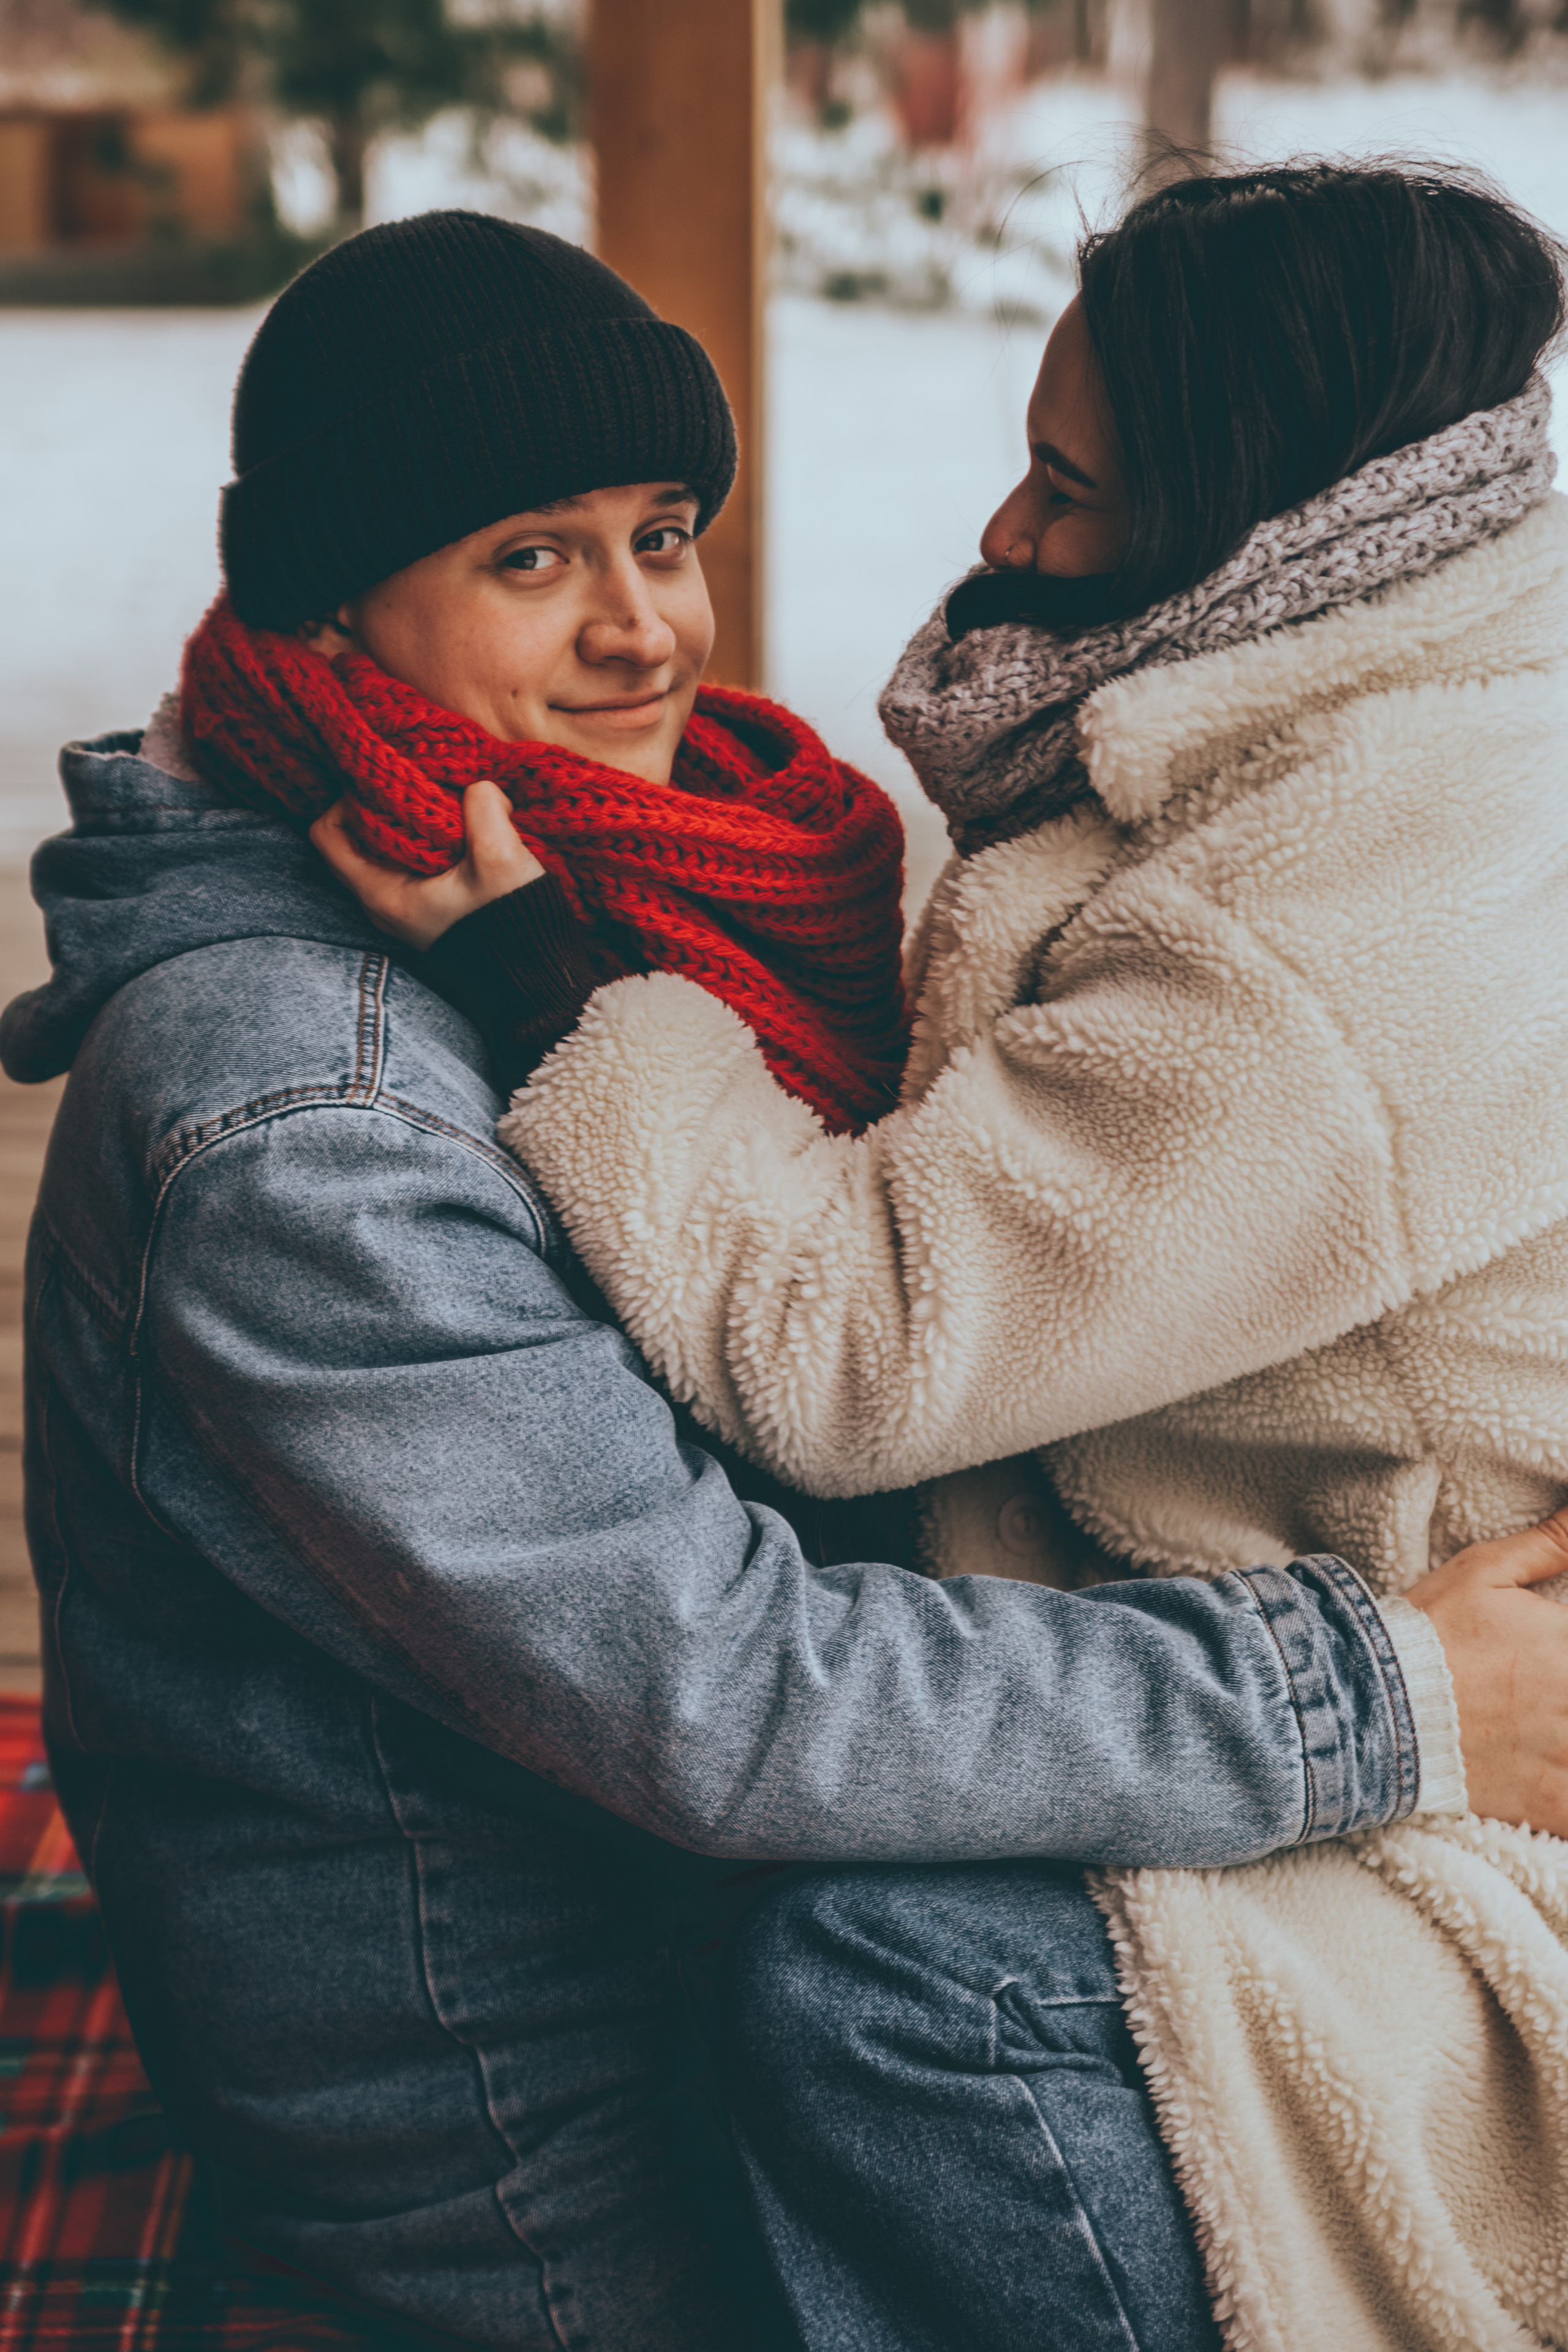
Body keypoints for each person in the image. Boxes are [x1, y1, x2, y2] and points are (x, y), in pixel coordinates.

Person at [9, 207, 1568, 2352]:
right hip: (561, 2154)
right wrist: (1383, 1695)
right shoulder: (313, 1123)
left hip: (696, 1939)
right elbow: (729, 1693)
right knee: (934, 2007)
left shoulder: (651, 890)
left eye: (664, 532)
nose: (648, 628)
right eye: (530, 558)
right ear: (330, 600)